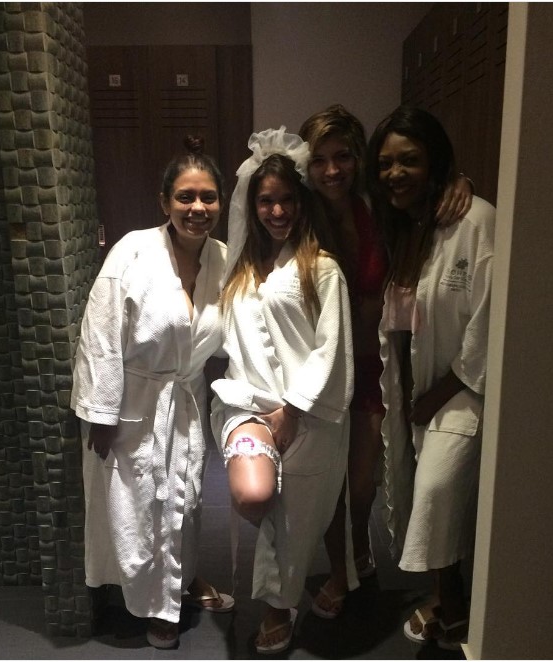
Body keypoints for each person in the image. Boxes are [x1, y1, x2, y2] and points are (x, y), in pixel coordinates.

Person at [298, 104, 474, 618]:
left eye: (343, 157)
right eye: (319, 160)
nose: (332, 170)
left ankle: (360, 547)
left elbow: (426, 205)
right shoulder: (300, 216)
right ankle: (340, 568)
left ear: (359, 159)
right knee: (329, 478)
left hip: (376, 361)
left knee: (361, 483)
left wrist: (459, 181)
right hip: (321, 364)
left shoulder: (378, 209)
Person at [71, 137, 234, 650]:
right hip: (134, 404)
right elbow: (100, 333)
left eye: (208, 197)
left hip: (185, 398)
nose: (197, 208)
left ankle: (180, 582)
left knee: (186, 500)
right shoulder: (133, 251)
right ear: (165, 202)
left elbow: (240, 329)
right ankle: (156, 607)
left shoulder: (224, 259)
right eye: (186, 197)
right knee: (139, 507)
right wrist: (101, 413)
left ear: (221, 202)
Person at [210, 127, 353, 654]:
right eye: (266, 201)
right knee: (258, 498)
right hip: (247, 405)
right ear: (252, 206)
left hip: (309, 412)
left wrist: (293, 409)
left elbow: (331, 347)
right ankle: (286, 596)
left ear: (301, 202)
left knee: (298, 519)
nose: (276, 211)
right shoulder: (240, 269)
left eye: (286, 200)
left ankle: (279, 606)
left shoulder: (322, 269)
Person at [366, 106, 495, 650]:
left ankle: (459, 606)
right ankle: (447, 598)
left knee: (439, 490)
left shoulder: (476, 221)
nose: (395, 173)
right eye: (386, 163)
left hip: (461, 388)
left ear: (435, 162)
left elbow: (487, 319)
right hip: (412, 384)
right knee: (426, 491)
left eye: (410, 161)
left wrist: (439, 393)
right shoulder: (405, 225)